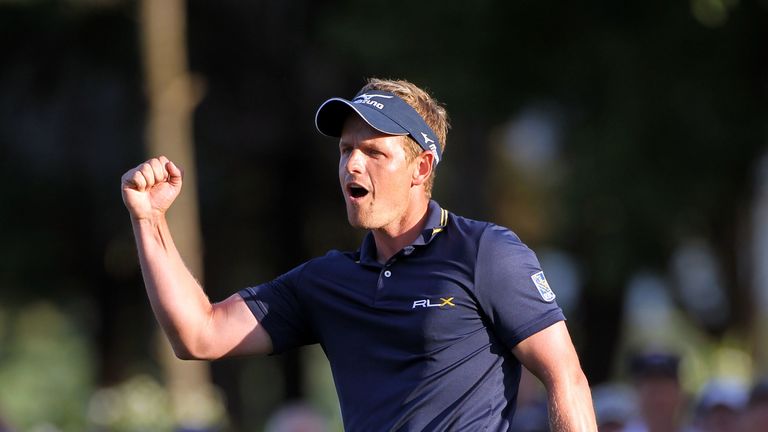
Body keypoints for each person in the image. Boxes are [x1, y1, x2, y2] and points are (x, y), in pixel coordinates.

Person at [121, 78, 596, 431]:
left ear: (421, 166)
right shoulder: (326, 282)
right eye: (346, 149)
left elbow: (565, 377)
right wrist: (149, 220)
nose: (352, 163)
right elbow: (199, 335)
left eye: (373, 151)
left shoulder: (485, 253)